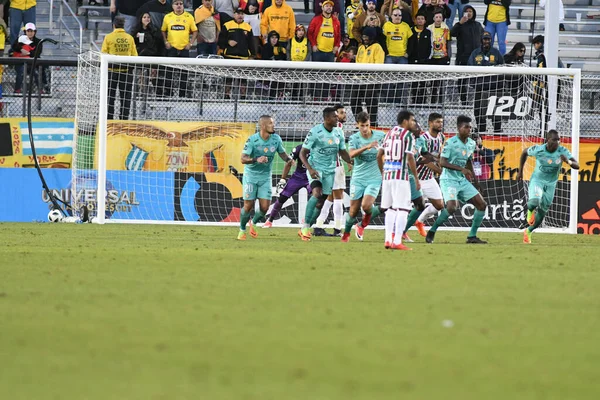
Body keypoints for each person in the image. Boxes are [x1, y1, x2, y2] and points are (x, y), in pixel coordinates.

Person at [425, 115, 488, 244]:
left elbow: (469, 161)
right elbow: (442, 162)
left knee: (482, 205)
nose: (469, 130)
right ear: (459, 128)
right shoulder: (450, 143)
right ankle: (433, 230)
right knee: (452, 207)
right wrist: (461, 169)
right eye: (466, 127)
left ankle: (472, 236)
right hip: (448, 179)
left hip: (462, 180)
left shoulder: (471, 143)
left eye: (470, 127)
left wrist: (476, 182)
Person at [298, 107, 353, 241]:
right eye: (335, 116)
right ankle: (305, 226)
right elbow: (302, 153)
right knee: (316, 193)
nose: (337, 118)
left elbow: (343, 152)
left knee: (321, 202)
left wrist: (352, 162)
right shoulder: (315, 132)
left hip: (330, 170)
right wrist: (310, 169)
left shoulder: (338, 132)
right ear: (327, 118)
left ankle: (306, 228)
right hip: (316, 169)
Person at [517, 130, 579, 244]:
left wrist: (568, 161)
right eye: (555, 139)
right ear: (548, 140)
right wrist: (520, 171)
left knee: (542, 213)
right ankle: (530, 211)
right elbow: (524, 152)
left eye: (558, 139)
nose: (557, 142)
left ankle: (528, 231)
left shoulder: (562, 151)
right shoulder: (539, 150)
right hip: (537, 180)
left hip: (551, 184)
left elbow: (577, 165)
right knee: (534, 202)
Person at [238, 115, 292, 240]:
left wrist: (289, 160)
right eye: (270, 123)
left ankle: (254, 223)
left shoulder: (276, 139)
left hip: (266, 177)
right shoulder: (252, 140)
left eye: (273, 123)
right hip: (250, 176)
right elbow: (243, 159)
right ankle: (242, 230)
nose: (273, 125)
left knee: (264, 207)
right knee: (248, 206)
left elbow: (282, 154)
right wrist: (257, 159)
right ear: (263, 126)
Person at [376, 110, 420, 250]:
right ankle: (397, 241)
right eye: (412, 120)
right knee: (403, 208)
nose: (414, 123)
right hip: (401, 176)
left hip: (388, 176)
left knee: (389, 209)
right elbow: (410, 157)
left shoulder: (388, 133)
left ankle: (388, 239)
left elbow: (378, 155)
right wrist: (417, 179)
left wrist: (382, 171)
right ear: (405, 121)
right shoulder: (408, 135)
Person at [341, 111, 385, 242]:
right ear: (357, 125)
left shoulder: (381, 136)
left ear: (370, 123)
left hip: (375, 177)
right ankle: (347, 233)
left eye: (367, 125)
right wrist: (367, 146)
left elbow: (388, 150)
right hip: (358, 178)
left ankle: (362, 225)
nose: (365, 129)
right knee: (353, 211)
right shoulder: (354, 138)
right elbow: (351, 155)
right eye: (362, 126)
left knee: (366, 206)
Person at [314, 104, 348, 237]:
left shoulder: (331, 128)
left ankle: (319, 225)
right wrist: (349, 160)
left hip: (328, 167)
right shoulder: (337, 128)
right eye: (340, 113)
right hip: (335, 166)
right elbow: (340, 150)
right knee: (338, 197)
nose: (343, 115)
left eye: (344, 113)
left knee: (330, 198)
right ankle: (338, 228)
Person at [411, 112, 446, 234]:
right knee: (409, 207)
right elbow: (424, 161)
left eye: (441, 122)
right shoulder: (424, 139)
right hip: (417, 177)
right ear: (430, 123)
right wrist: (441, 171)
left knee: (439, 205)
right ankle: (400, 231)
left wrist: (442, 164)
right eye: (437, 122)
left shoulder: (441, 137)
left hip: (429, 177)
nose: (440, 124)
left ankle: (419, 222)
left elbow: (440, 155)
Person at [263, 144, 312, 228]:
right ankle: (270, 220)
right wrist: (283, 179)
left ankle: (309, 220)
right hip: (298, 177)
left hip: (312, 177)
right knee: (282, 197)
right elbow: (289, 162)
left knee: (316, 197)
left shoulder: (320, 149)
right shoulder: (299, 148)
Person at [101, 16, 138, 120]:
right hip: (126, 72)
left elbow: (103, 54)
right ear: (123, 26)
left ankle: (109, 120)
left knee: (109, 97)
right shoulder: (129, 38)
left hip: (111, 71)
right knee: (126, 98)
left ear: (114, 25)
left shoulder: (108, 37)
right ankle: (124, 120)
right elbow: (134, 56)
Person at [468, 31, 504, 133]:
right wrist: (474, 82)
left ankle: (497, 130)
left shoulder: (496, 53)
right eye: (485, 39)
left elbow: (503, 67)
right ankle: (481, 129)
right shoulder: (475, 53)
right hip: (480, 88)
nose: (486, 41)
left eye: (488, 39)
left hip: (494, 88)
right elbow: (469, 67)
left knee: (496, 110)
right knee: (478, 110)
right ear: (481, 40)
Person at [161, 0, 198, 97]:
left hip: (184, 48)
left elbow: (195, 31)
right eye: (176, 4)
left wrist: (190, 43)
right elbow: (163, 30)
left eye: (181, 4)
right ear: (172, 6)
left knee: (184, 73)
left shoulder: (189, 17)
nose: (179, 6)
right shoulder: (168, 17)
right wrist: (166, 42)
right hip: (172, 48)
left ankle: (182, 95)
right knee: (169, 72)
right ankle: (168, 94)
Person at [351, 27, 384, 126]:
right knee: (354, 101)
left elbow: (378, 64)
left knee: (371, 102)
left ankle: (373, 124)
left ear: (372, 37)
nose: (364, 38)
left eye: (366, 36)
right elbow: (357, 62)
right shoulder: (361, 47)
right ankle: (361, 122)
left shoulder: (377, 47)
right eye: (363, 36)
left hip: (371, 80)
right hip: (359, 79)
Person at [450, 5, 482, 103]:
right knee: (462, 81)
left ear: (474, 13)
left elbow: (482, 38)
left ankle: (477, 101)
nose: (469, 13)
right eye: (467, 11)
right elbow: (452, 33)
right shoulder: (460, 25)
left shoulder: (478, 25)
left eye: (471, 11)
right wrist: (460, 23)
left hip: (476, 58)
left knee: (477, 81)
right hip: (462, 57)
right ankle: (464, 101)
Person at [408, 11, 431, 105]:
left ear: (425, 20)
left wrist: (427, 58)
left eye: (422, 19)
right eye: (418, 19)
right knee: (414, 83)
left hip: (424, 61)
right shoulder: (411, 31)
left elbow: (431, 46)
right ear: (415, 20)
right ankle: (414, 101)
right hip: (412, 60)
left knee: (423, 83)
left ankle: (423, 102)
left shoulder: (428, 32)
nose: (420, 21)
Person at [428, 8, 450, 103]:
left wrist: (448, 55)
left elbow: (448, 42)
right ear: (433, 18)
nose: (438, 19)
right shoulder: (429, 28)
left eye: (440, 17)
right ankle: (433, 101)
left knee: (442, 82)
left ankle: (441, 102)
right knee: (433, 82)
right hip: (433, 57)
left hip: (442, 57)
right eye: (436, 17)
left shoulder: (446, 28)